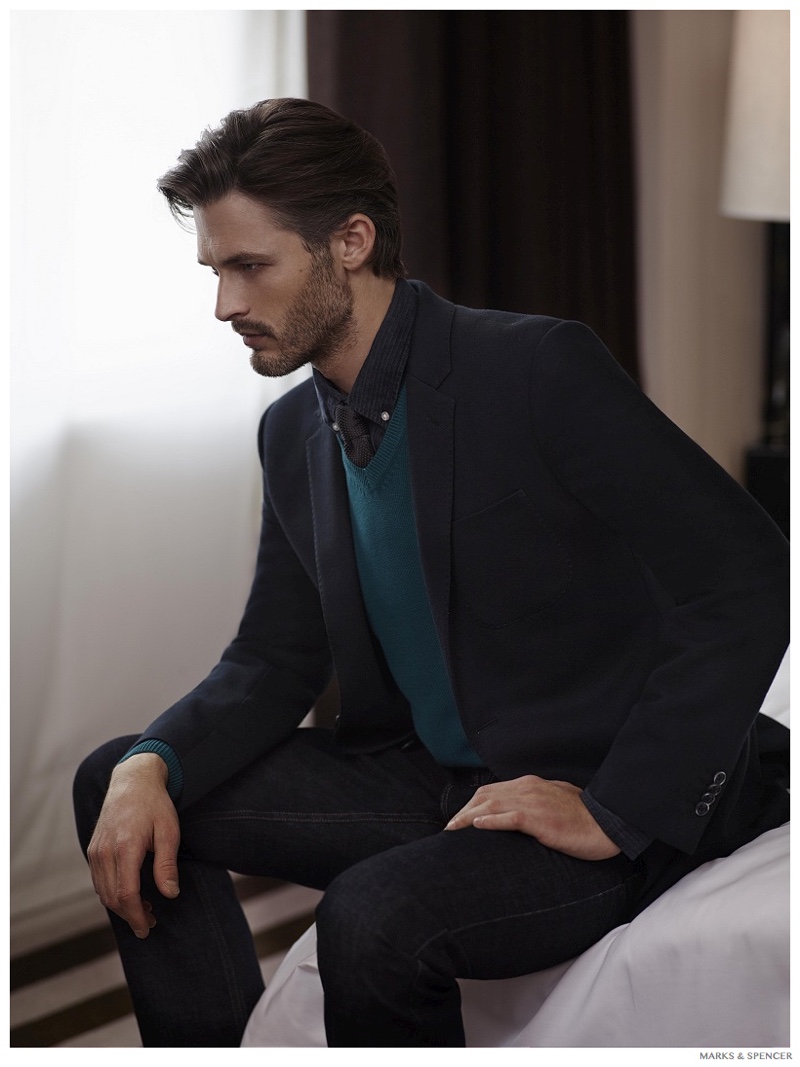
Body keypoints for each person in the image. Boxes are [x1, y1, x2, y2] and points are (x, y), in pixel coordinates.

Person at [73, 98, 789, 1048]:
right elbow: (274, 657)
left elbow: (747, 577)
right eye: (215, 271)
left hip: (589, 787)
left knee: (371, 917)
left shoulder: (537, 368)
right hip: (430, 778)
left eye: (251, 266)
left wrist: (617, 811)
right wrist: (151, 759)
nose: (226, 305)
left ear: (351, 242)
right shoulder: (291, 432)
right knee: (118, 781)